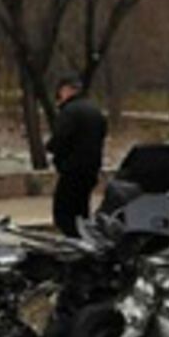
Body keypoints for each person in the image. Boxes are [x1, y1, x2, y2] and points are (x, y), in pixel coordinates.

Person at [46, 72, 107, 238]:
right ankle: (85, 240)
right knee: (82, 210)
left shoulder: (69, 112)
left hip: (72, 170)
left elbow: (60, 138)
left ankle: (73, 241)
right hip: (91, 170)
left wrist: (52, 150)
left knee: (63, 212)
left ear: (66, 90)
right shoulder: (95, 111)